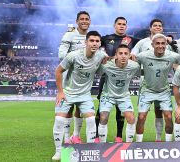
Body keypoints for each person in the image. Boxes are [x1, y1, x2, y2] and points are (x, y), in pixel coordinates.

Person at [52, 31, 107, 161]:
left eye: (97, 41)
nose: (94, 43)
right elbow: (58, 71)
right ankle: (59, 151)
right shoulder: (73, 55)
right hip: (68, 92)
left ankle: (91, 151)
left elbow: (103, 69)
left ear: (100, 43)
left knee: (90, 119)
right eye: (91, 40)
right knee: (59, 120)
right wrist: (60, 92)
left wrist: (106, 64)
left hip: (85, 94)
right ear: (86, 42)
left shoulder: (101, 56)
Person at [135, 34, 180, 142]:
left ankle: (166, 143)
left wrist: (179, 71)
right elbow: (133, 61)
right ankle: (138, 144)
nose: (160, 46)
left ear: (166, 44)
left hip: (164, 90)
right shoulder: (143, 55)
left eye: (163, 43)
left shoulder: (172, 56)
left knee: (168, 116)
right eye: (157, 43)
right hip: (147, 89)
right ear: (152, 44)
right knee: (141, 117)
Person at [96, 16, 139, 143]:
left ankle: (119, 136)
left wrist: (168, 39)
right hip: (107, 75)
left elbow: (148, 42)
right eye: (119, 24)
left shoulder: (132, 40)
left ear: (126, 26)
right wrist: (103, 57)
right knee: (102, 111)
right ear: (114, 25)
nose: (121, 26)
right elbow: (94, 44)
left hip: (122, 77)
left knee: (121, 112)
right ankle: (98, 137)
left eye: (124, 24)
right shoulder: (106, 38)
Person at [131, 19, 174, 141]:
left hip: (162, 82)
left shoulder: (167, 45)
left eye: (160, 26)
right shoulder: (142, 43)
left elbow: (172, 60)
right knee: (142, 114)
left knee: (160, 111)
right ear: (150, 28)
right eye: (155, 25)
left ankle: (159, 139)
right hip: (147, 81)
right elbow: (133, 56)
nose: (157, 27)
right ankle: (139, 142)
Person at [58, 11, 91, 144]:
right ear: (77, 21)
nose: (84, 21)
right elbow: (61, 55)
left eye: (87, 19)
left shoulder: (90, 37)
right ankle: (66, 137)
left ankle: (75, 135)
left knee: (81, 107)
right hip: (69, 77)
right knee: (68, 107)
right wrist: (77, 60)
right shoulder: (69, 35)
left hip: (84, 78)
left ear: (90, 22)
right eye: (82, 19)